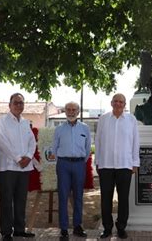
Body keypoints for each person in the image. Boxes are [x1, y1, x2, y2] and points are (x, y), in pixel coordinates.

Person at [95, 93, 140, 239]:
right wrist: (98, 162)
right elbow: (98, 141)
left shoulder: (131, 119)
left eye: (121, 102)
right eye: (116, 101)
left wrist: (135, 162)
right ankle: (107, 228)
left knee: (123, 199)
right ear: (111, 103)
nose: (118, 104)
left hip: (125, 165)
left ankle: (121, 227)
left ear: (124, 104)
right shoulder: (103, 119)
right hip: (106, 165)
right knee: (105, 198)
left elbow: (135, 142)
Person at [0, 93, 37, 240]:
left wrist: (29, 156)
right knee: (6, 200)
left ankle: (19, 229)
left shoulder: (25, 122)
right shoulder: (2, 121)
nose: (19, 105)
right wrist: (18, 158)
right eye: (16, 103)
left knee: (21, 200)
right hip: (7, 167)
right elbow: (1, 141)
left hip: (24, 168)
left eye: (21, 103)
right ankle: (6, 232)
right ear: (10, 105)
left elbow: (32, 141)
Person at [51, 102, 91, 239]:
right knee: (63, 196)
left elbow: (87, 149)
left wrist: (80, 162)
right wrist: (62, 161)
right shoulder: (59, 129)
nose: (71, 112)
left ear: (78, 112)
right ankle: (63, 228)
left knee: (78, 196)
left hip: (79, 164)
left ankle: (77, 226)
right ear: (65, 111)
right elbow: (54, 148)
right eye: (68, 109)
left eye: (74, 109)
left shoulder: (85, 128)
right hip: (63, 165)